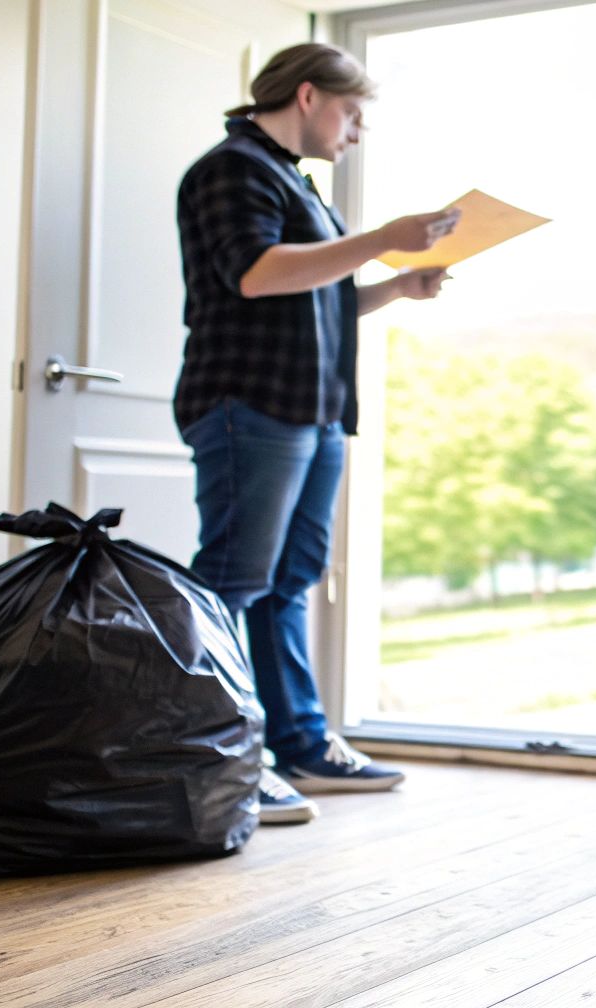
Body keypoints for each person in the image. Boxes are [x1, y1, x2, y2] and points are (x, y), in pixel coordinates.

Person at [174, 43, 459, 824]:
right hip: (251, 405)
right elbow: (258, 275)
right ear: (308, 96)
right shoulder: (231, 169)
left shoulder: (291, 183)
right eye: (352, 113)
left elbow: (315, 298)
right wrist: (385, 239)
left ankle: (299, 743)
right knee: (234, 581)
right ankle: (233, 758)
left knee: (287, 583)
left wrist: (397, 285)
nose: (356, 131)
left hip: (313, 411)